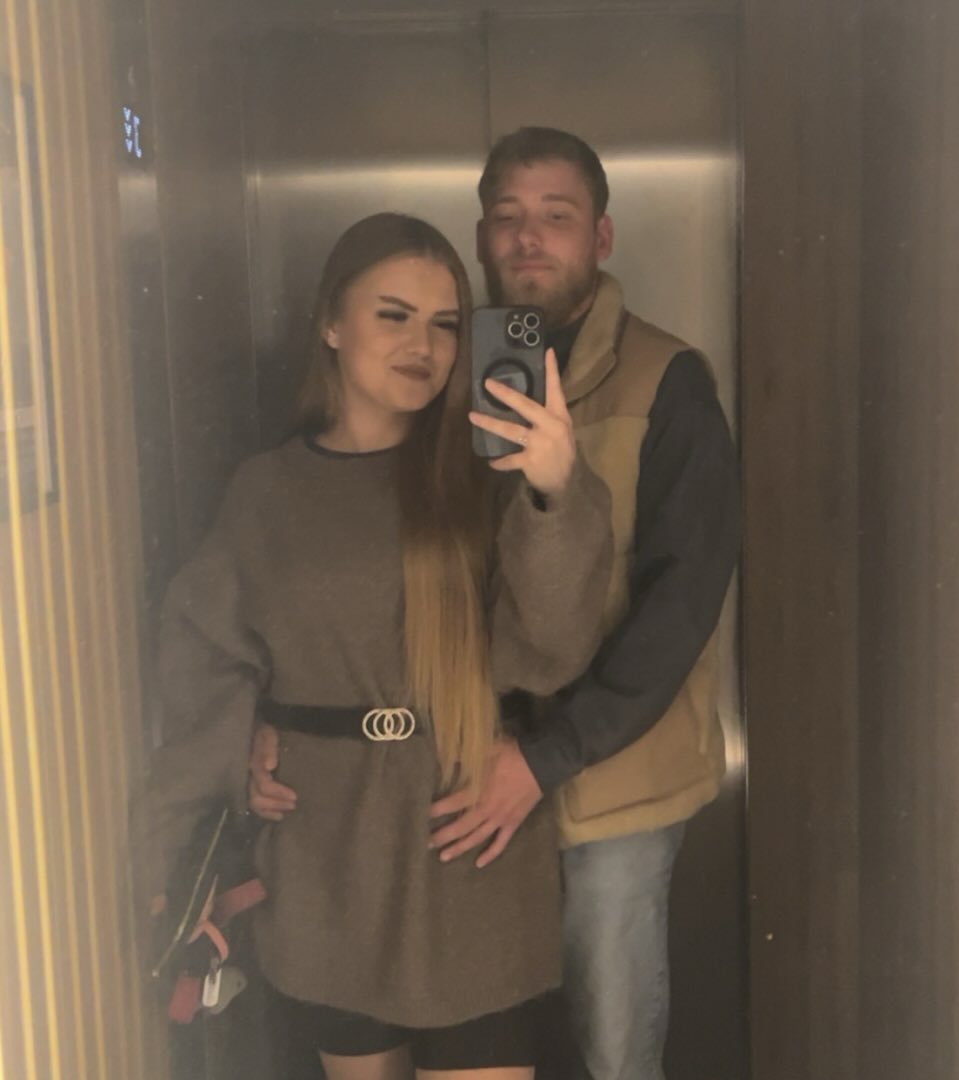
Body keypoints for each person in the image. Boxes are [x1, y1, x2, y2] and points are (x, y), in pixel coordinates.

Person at [252, 129, 741, 1080]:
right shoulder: (437, 371)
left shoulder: (666, 381)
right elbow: (345, 575)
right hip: (454, 781)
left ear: (601, 237)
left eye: (556, 216)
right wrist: (277, 719)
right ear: (480, 236)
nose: (529, 237)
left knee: (610, 1040)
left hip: (608, 783)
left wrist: (546, 756)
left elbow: (682, 606)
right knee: (474, 1025)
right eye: (507, 216)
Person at [147, 211, 613, 1080]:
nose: (422, 346)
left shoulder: (488, 476)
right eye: (392, 315)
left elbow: (555, 648)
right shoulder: (266, 492)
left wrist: (554, 493)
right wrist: (241, 752)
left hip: (465, 842)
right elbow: (207, 656)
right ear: (331, 322)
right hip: (329, 856)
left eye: (445, 324)